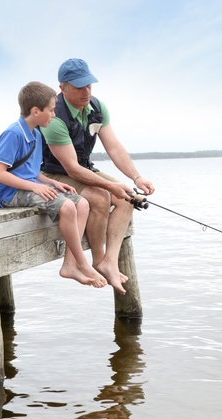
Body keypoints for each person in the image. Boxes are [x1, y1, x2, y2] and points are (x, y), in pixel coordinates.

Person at [40, 59, 155, 295]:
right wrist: (111, 186)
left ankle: (108, 262)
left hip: (84, 168)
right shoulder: (55, 118)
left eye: (89, 85)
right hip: (54, 173)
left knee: (128, 197)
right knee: (101, 197)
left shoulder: (98, 107)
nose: (86, 92)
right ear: (62, 88)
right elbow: (71, 169)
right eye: (79, 87)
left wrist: (136, 178)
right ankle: (97, 258)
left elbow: (114, 147)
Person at [0, 81, 107, 289]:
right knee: (67, 207)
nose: (54, 115)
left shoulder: (35, 133)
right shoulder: (14, 134)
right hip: (10, 193)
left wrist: (52, 183)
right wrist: (35, 187)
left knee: (82, 204)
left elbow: (33, 173)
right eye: (51, 110)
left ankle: (70, 264)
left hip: (30, 186)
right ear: (35, 111)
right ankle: (82, 263)